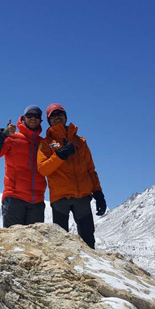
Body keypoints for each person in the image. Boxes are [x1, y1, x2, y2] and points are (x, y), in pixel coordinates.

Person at [37, 103, 106, 249]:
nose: (57, 118)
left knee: (88, 241)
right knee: (61, 243)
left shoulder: (80, 142)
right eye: (53, 116)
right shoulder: (46, 143)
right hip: (60, 198)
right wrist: (60, 155)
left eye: (60, 114)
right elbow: (43, 169)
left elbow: (90, 170)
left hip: (83, 197)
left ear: (65, 116)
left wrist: (98, 193)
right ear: (49, 120)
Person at [0, 105, 47, 228]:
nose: (33, 118)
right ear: (23, 118)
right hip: (14, 198)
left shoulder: (43, 143)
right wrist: (2, 135)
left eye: (37, 116)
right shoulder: (12, 138)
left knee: (34, 244)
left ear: (41, 120)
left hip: (37, 201)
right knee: (13, 242)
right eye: (30, 115)